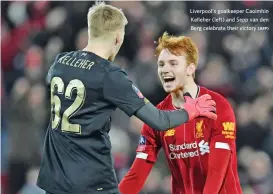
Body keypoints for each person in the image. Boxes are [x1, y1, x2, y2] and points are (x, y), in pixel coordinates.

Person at [37, 2, 217, 194]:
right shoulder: (109, 74)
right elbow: (159, 120)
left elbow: (54, 85)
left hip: (55, 178)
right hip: (91, 181)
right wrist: (190, 110)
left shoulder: (60, 62)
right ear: (118, 38)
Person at [119, 32, 243, 194]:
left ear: (190, 68)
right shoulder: (158, 117)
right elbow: (137, 174)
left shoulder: (218, 106)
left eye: (173, 63)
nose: (165, 70)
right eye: (161, 64)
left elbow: (218, 168)